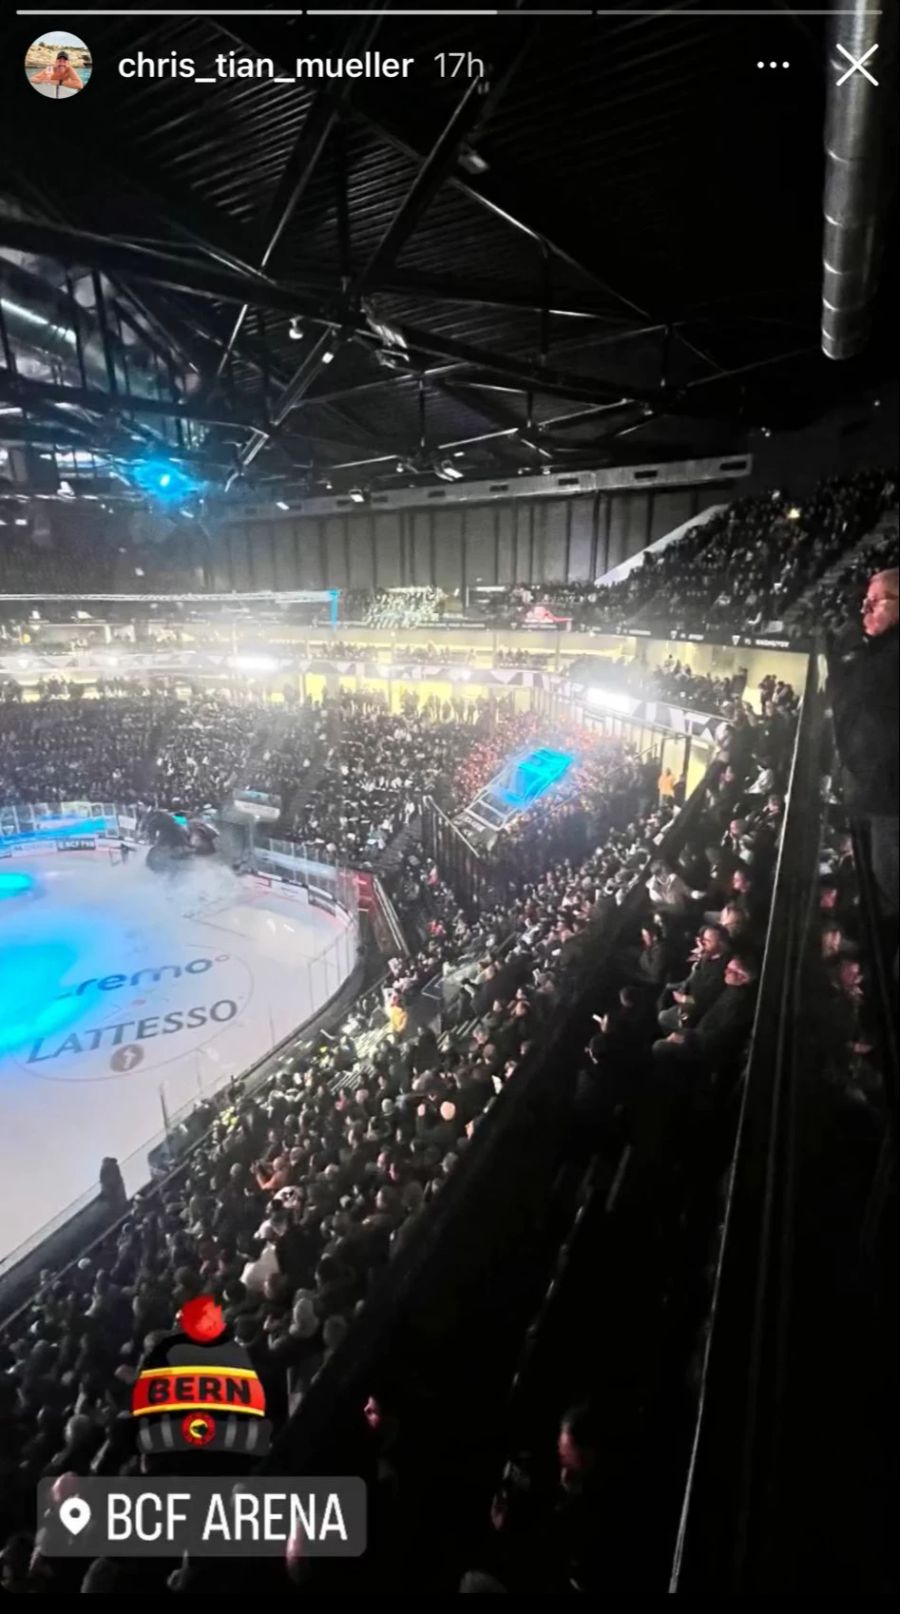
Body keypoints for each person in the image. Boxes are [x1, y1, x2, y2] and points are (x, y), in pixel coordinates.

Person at [829, 567, 899, 920]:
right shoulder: (880, 651)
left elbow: (851, 693)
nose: (864, 611)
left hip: (890, 803)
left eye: (875, 602)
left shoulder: (885, 658)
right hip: (875, 795)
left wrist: (853, 639)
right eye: (864, 602)